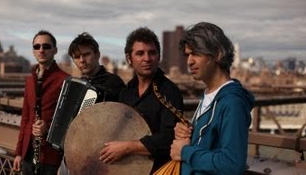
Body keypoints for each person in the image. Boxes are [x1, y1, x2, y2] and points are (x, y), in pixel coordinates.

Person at [170, 22, 255, 174]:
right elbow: (208, 142)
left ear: (217, 54)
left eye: (196, 53)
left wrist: (185, 152)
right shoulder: (209, 94)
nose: (189, 61)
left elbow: (232, 164)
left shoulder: (232, 103)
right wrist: (189, 132)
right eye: (188, 55)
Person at [99, 27, 184, 173]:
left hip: (158, 170)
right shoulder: (126, 93)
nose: (147, 58)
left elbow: (169, 138)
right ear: (129, 59)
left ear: (159, 56)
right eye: (140, 53)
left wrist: (127, 147)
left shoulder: (169, 91)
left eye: (152, 53)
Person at [57, 32, 126, 174]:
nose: (82, 60)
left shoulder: (113, 82)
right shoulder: (76, 85)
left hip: (99, 159)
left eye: (86, 54)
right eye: (76, 57)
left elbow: (124, 121)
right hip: (72, 155)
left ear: (97, 54)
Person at [13, 30, 69, 174]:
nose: (41, 50)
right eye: (37, 47)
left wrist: (48, 129)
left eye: (46, 46)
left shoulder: (65, 80)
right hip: (27, 155)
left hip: (51, 158)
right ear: (33, 51)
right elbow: (25, 118)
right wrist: (19, 152)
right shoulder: (30, 79)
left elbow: (69, 121)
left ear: (55, 50)